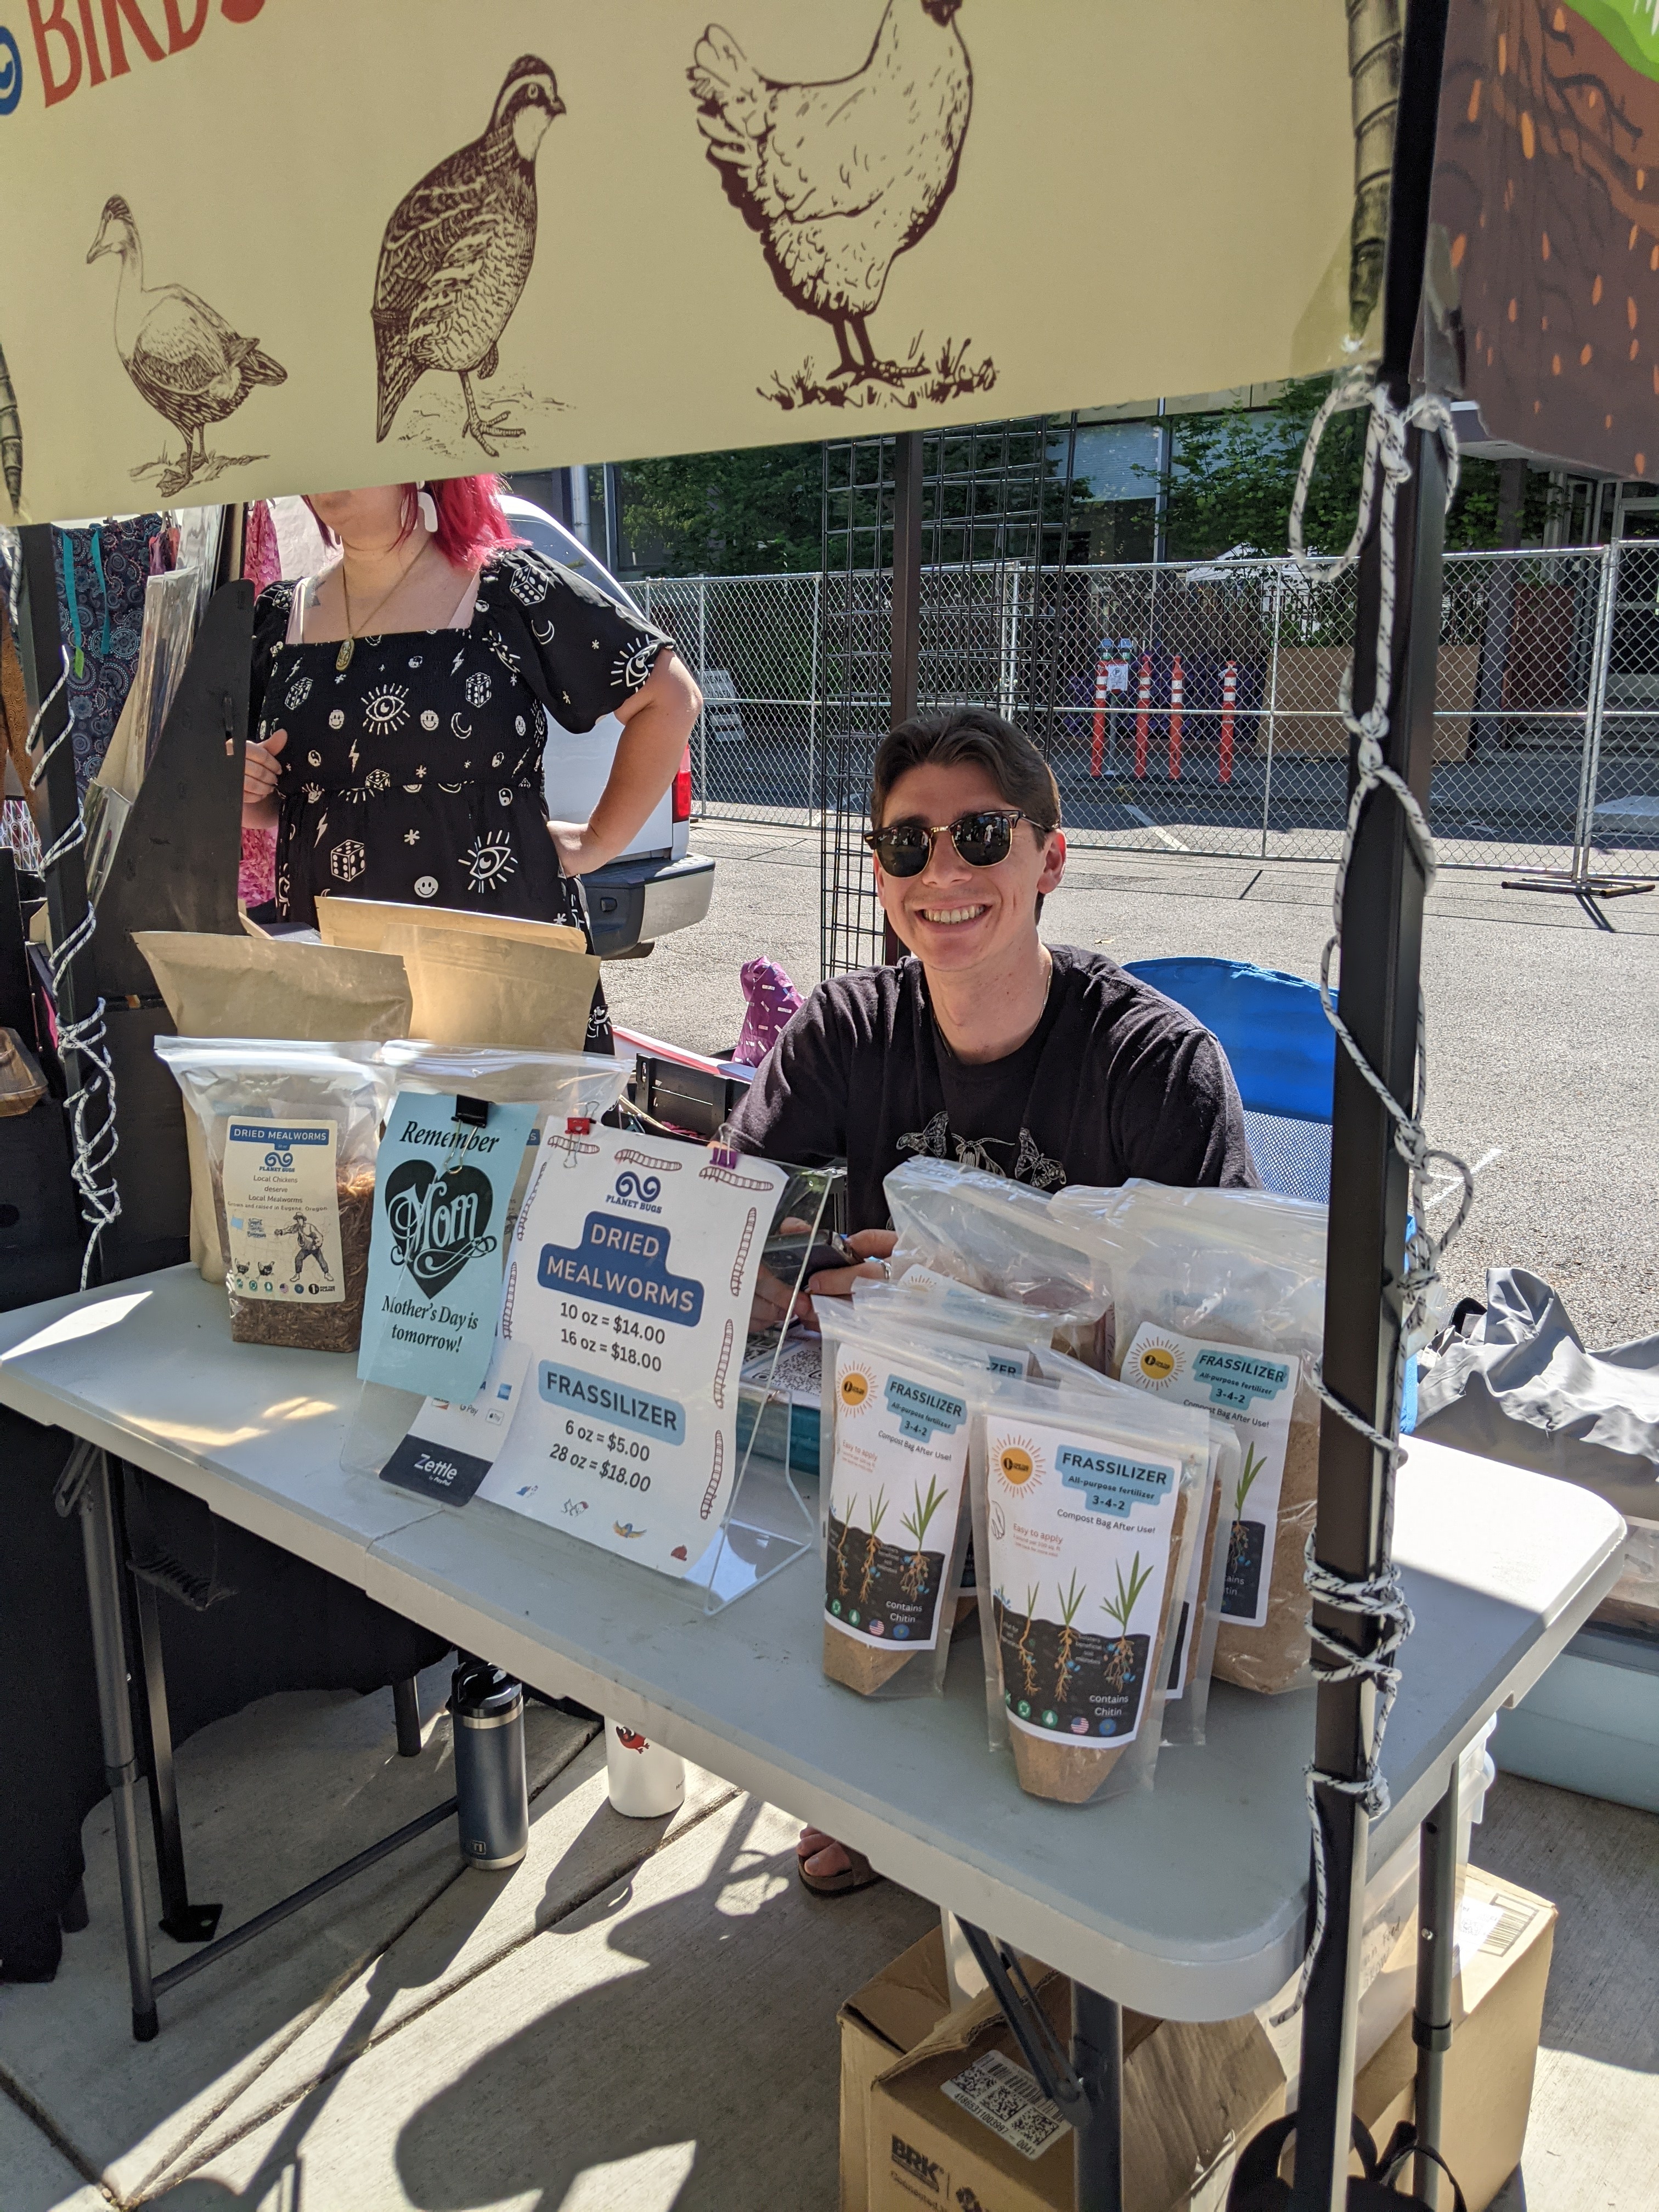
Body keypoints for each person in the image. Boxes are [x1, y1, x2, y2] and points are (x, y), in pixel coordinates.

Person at [729, 704, 1257, 1893]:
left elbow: (1222, 1342)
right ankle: (881, 1797)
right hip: (897, 1472)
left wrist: (985, 1304)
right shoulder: (846, 1032)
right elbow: (723, 1230)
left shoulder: (1158, 1066)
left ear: (1050, 856)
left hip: (1090, 1493)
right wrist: (817, 1285)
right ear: (880, 878)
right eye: (910, 846)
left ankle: (1044, 1851)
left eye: (982, 834)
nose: (947, 872)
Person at [240, 475, 701, 1048]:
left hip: (496, 952)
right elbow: (286, 806)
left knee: (511, 1133)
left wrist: (600, 841)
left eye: (352, 448)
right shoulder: (277, 621)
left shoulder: (505, 591)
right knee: (356, 1135)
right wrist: (246, 790)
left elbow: (670, 697)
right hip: (338, 963)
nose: (329, 470)